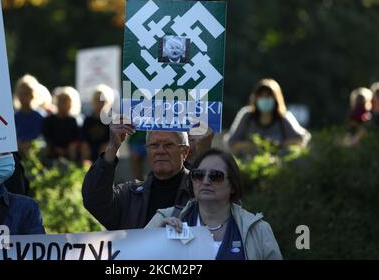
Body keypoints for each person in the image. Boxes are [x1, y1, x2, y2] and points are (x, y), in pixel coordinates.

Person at [146, 149, 282, 260]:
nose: (205, 181)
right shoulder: (163, 219)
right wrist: (156, 239)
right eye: (198, 175)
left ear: (233, 185)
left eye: (216, 176)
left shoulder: (258, 230)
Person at [82, 119, 193, 230]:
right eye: (154, 145)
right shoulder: (130, 196)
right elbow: (93, 199)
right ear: (147, 150)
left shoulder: (200, 192)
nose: (160, 151)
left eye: (168, 145)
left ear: (185, 152)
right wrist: (112, 147)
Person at [225, 78, 310, 154]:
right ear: (255, 98)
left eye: (268, 96)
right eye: (261, 96)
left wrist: (278, 144)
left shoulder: (283, 117)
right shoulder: (247, 116)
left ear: (276, 99)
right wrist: (256, 145)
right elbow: (231, 142)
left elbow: (302, 139)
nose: (265, 99)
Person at [41, 86, 83, 162]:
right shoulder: (48, 120)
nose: (63, 103)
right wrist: (55, 148)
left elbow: (77, 138)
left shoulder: (74, 120)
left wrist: (69, 148)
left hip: (69, 151)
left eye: (65, 101)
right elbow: (46, 137)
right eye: (61, 100)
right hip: (52, 149)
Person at [13, 74, 45, 155]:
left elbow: (41, 136)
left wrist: (31, 143)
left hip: (35, 150)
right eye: (21, 94)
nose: (24, 97)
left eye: (26, 94)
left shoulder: (39, 116)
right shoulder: (15, 116)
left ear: (33, 95)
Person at [82, 84, 113, 162]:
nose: (99, 104)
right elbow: (84, 137)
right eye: (97, 100)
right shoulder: (88, 119)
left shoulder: (111, 120)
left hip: (105, 148)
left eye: (102, 101)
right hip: (91, 147)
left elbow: (113, 139)